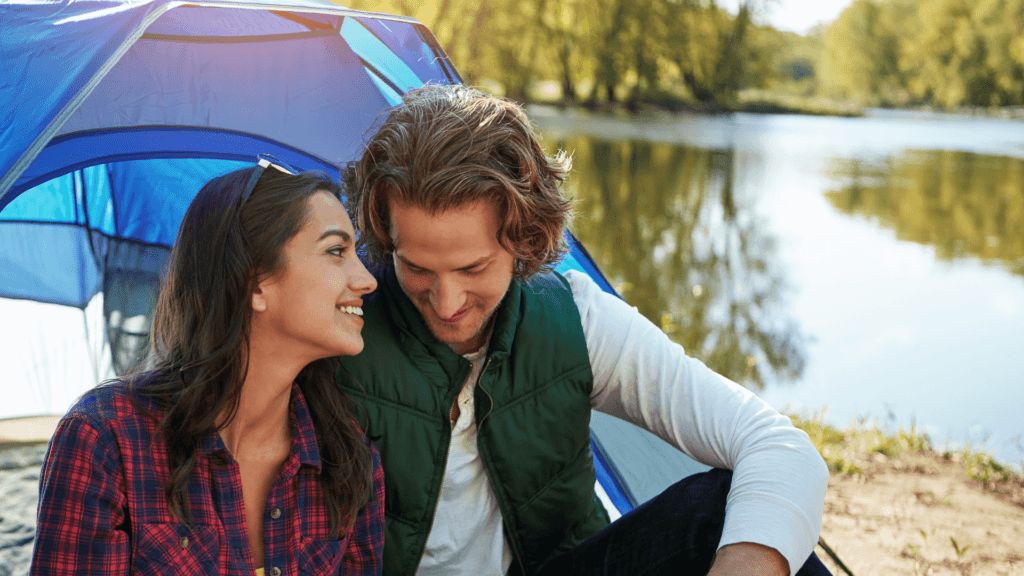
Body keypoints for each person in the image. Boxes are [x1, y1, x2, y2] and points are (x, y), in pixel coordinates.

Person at [336, 84, 832, 576]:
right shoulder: (334, 330)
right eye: (417, 267)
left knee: (727, 514)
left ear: (523, 237)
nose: (446, 303)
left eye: (472, 268)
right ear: (386, 239)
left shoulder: (575, 318)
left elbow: (778, 448)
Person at [31, 158, 384, 575]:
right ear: (254, 281)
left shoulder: (347, 460)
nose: (367, 279)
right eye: (336, 251)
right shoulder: (106, 438)